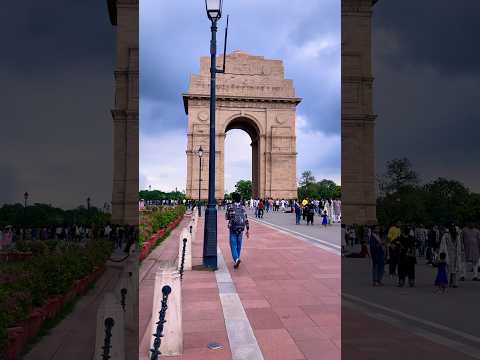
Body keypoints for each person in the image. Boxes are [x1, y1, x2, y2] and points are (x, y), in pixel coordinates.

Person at [226, 192, 250, 269]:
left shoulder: (230, 206)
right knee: (239, 244)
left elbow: (227, 217)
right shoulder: (242, 207)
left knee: (233, 245)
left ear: (233, 198)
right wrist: (248, 229)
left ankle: (236, 259)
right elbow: (246, 218)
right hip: (241, 228)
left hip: (233, 228)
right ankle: (237, 258)